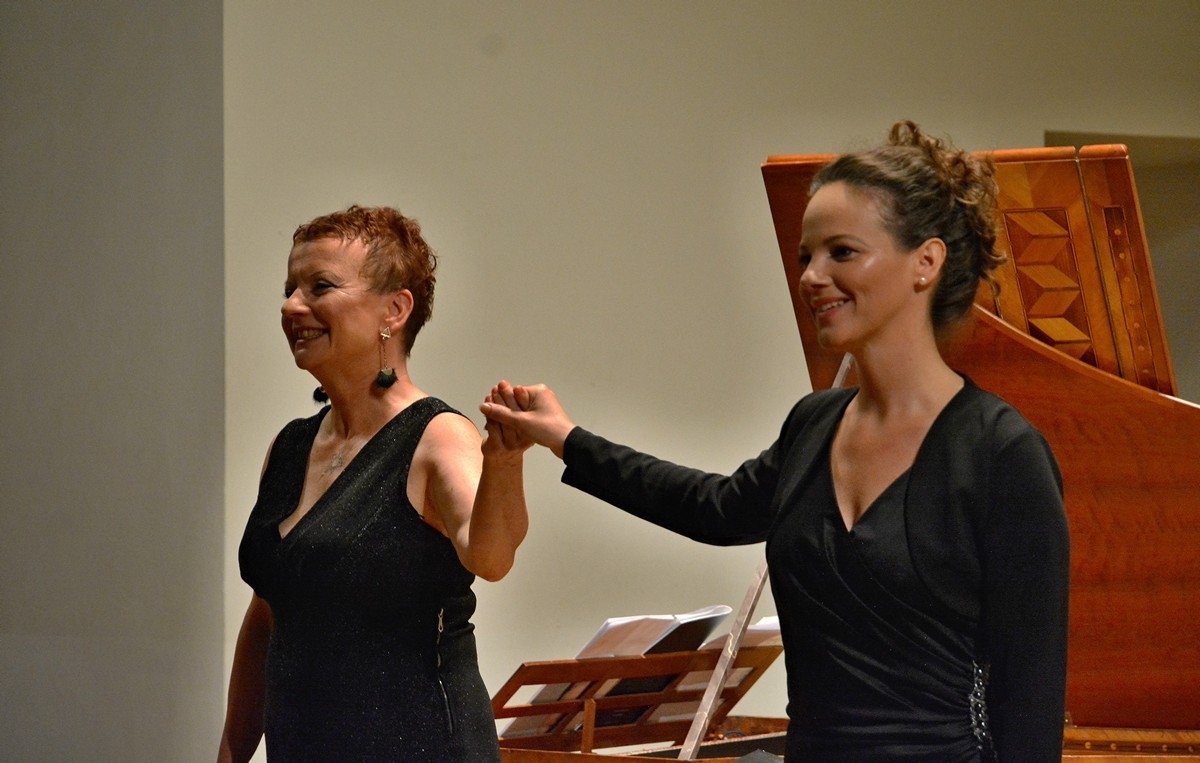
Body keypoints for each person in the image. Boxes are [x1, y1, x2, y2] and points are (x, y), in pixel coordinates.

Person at [481, 122, 1070, 762]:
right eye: (805, 258)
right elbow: (711, 508)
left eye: (841, 252)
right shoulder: (813, 425)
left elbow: (1030, 698)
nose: (812, 276)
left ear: (925, 262)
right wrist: (566, 439)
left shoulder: (1000, 453)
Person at [218, 205, 531, 762]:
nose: (292, 306)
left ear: (395, 309)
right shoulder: (290, 447)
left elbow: (490, 556)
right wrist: (230, 753)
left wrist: (504, 462)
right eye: (290, 289)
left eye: (320, 286)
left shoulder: (437, 437)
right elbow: (268, 613)